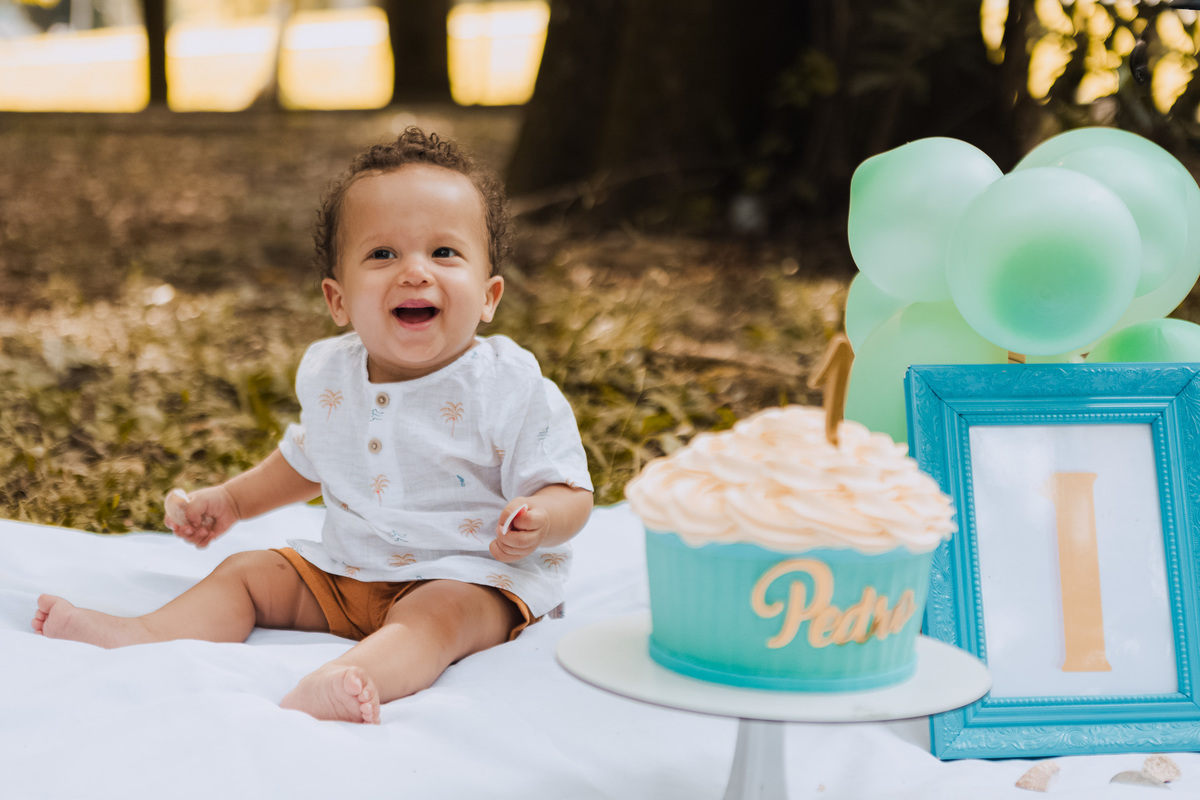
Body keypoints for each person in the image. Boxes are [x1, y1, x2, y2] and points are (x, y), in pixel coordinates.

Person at [31, 127, 595, 725]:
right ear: (338, 300)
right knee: (248, 573)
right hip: (347, 572)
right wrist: (232, 501)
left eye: (444, 253)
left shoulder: (507, 386)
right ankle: (143, 635)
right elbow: (311, 456)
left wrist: (541, 519)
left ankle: (351, 677)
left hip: (473, 575)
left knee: (437, 617)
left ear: (488, 296)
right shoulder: (333, 374)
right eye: (383, 254)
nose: (414, 272)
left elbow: (570, 491)